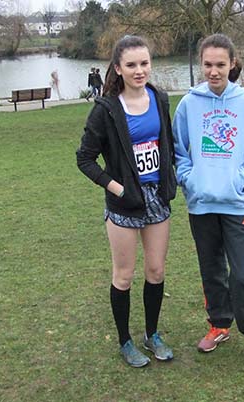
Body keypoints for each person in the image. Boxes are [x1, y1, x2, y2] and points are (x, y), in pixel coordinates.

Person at [172, 33, 244, 370]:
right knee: (212, 271)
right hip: (202, 205)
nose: (213, 71)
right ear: (201, 64)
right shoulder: (189, 104)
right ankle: (219, 324)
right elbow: (178, 152)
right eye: (207, 64)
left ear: (232, 64)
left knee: (242, 276)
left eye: (220, 64)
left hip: (236, 205)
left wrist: (237, 181)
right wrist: (192, 181)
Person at [76, 35, 177, 368]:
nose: (139, 70)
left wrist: (170, 178)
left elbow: (167, 144)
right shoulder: (105, 109)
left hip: (157, 199)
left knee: (156, 270)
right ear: (118, 68)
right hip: (123, 203)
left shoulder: (159, 99)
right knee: (124, 275)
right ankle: (125, 341)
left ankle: (152, 334)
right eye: (131, 65)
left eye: (144, 63)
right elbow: (85, 159)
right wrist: (117, 188)